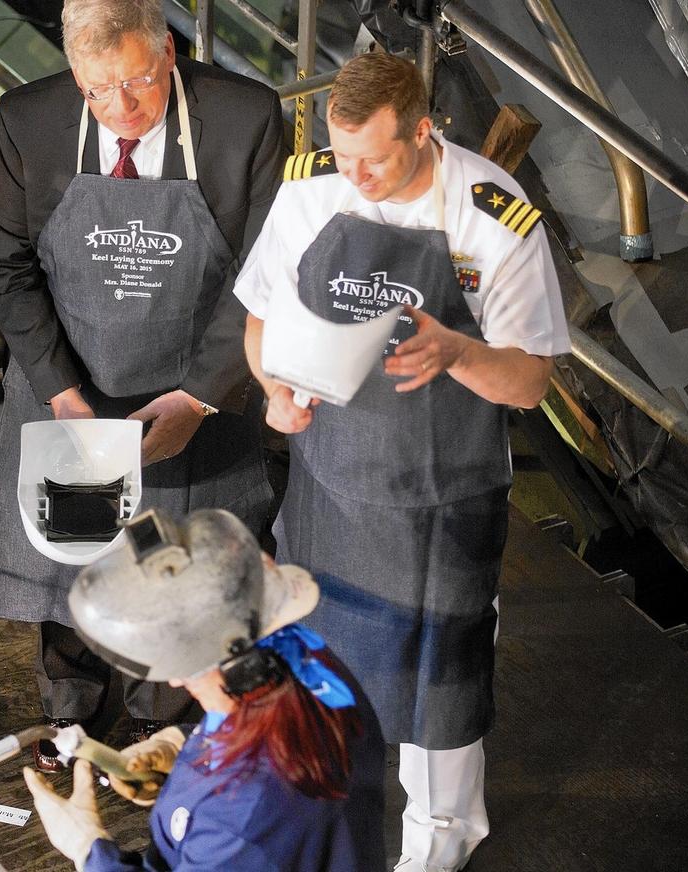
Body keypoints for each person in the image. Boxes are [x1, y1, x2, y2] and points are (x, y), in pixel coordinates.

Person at [233, 53, 571, 872]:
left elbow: (528, 382)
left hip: (443, 496)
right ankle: (312, 829)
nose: (358, 177)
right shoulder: (313, 188)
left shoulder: (494, 217)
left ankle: (439, 846)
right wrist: (275, 391)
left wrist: (457, 350)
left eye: (375, 160)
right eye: (346, 158)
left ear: (423, 130)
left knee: (439, 691)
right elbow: (259, 320)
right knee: (317, 674)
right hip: (331, 485)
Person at [0, 0, 285, 767]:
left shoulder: (245, 118)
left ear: (169, 54)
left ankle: (165, 718)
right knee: (65, 562)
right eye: (97, 90)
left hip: (193, 391)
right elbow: (4, 265)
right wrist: (59, 390)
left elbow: (266, 270)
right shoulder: (28, 120)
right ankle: (70, 708)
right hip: (67, 384)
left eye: (137, 84)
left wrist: (199, 395)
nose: (121, 109)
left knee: (176, 564)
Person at [22, 507, 385, 871]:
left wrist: (86, 844)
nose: (173, 680)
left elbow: (249, 800)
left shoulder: (240, 816)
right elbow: (257, 735)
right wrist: (179, 747)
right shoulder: (303, 655)